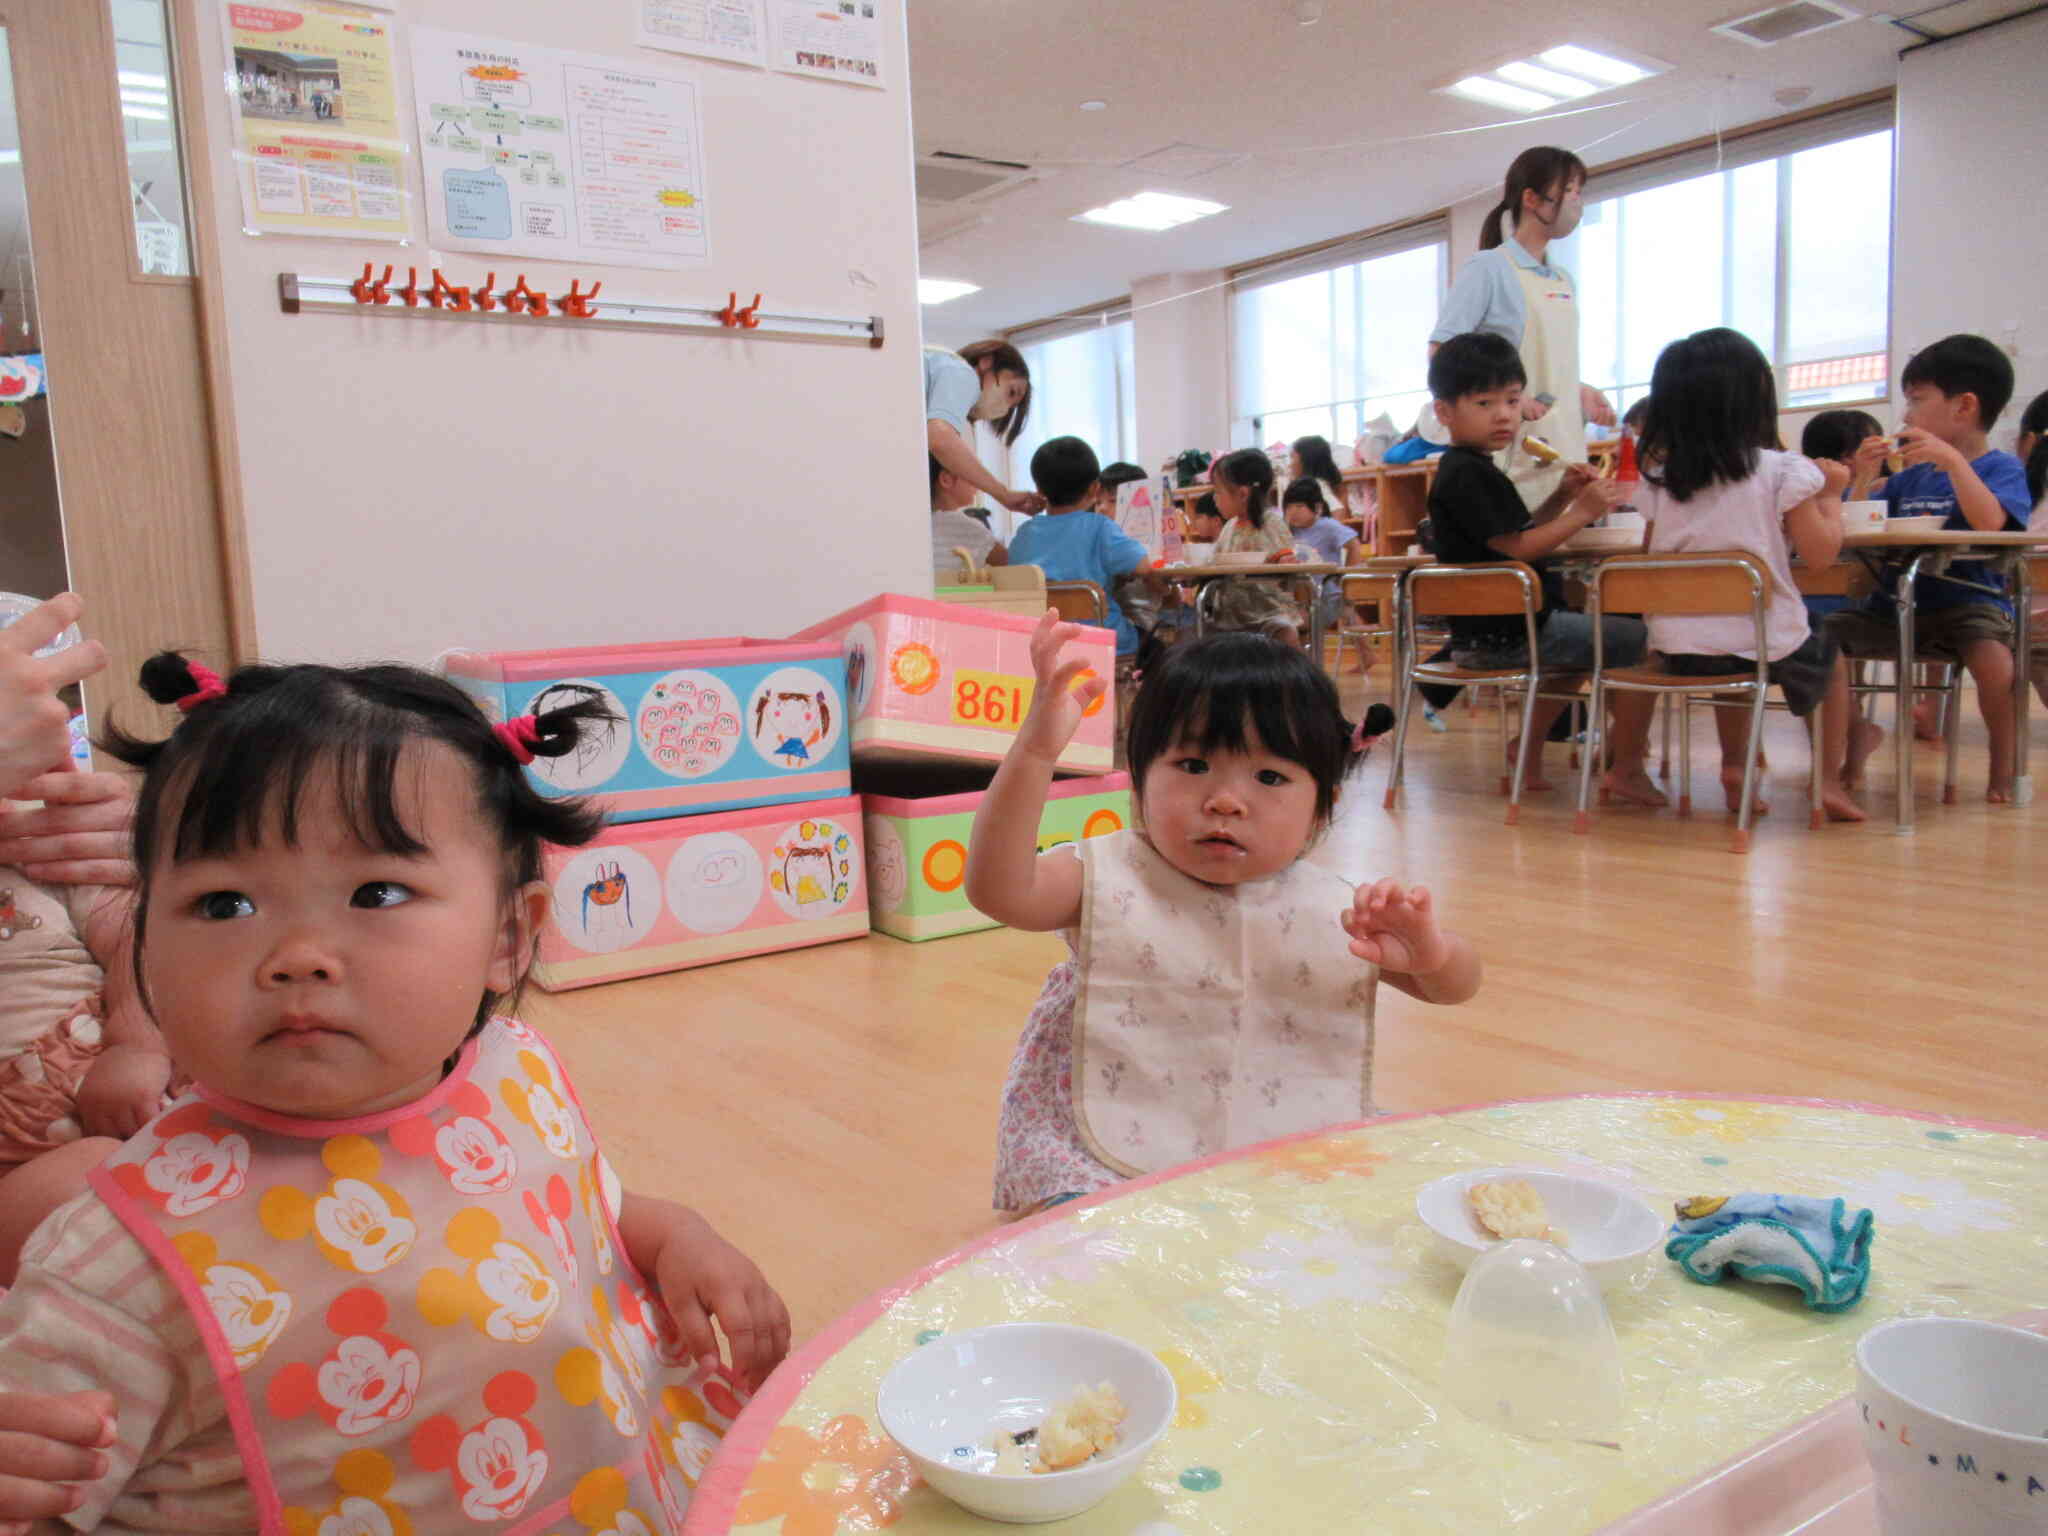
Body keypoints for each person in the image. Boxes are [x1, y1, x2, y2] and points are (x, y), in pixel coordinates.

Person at [0, 655, 789, 1532]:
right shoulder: (117, 1266)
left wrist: (677, 1237)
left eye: (376, 892)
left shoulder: (510, 1069)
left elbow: (563, 1215)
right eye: (224, 904)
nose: (297, 954)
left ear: (508, 937)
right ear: (143, 944)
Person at [966, 616, 1480, 1214]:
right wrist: (1035, 753)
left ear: (1323, 807)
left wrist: (1431, 955)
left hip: (1278, 1125)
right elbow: (999, 891)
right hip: (1103, 1136)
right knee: (1089, 1237)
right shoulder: (1109, 874)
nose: (1226, 800)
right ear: (1139, 779)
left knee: (1378, 1207)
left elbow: (1456, 987)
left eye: (1269, 777)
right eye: (1192, 766)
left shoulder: (1333, 908)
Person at [1636, 329, 1870, 822]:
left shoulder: (1661, 477)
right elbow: (1822, 555)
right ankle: (1827, 781)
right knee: (1830, 660)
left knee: (1728, 656)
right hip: (1763, 640)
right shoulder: (1783, 470)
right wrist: (1831, 495)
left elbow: (1648, 557)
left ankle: (1736, 767)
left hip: (1677, 647)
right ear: (1756, 399)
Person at [1425, 333, 1662, 803]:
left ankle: (1527, 752)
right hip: (1508, 636)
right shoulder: (1469, 473)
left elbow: (1515, 535)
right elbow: (1518, 548)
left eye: (1512, 400)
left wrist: (1563, 498)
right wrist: (1582, 512)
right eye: (1484, 402)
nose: (1503, 414)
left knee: (1578, 653)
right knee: (1646, 643)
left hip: (1486, 636)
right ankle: (1627, 765)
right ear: (1444, 412)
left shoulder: (1472, 469)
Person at [1826, 335, 2033, 802]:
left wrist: (1956, 463)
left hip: (1967, 604)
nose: (1906, 415)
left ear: (1964, 407)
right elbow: (1857, 525)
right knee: (1816, 644)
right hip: (1894, 603)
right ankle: (1853, 741)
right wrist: (1860, 480)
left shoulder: (2001, 469)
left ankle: (2005, 768)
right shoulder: (1909, 477)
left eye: (1917, 400)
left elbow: (1990, 522)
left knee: (1997, 665)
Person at [1429, 146, 1617, 509]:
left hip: (1564, 446)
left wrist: (1578, 390)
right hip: (1512, 449)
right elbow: (1442, 354)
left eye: (1581, 191)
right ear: (1532, 198)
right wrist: (1511, 400)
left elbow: (1547, 364)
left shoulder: (1562, 278)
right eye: (1569, 190)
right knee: (1519, 547)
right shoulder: (1489, 268)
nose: (1577, 201)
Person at [1006, 437, 1151, 675]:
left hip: (1044, 645)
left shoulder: (1024, 534)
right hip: (1103, 642)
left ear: (1040, 491)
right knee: (1158, 644)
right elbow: (1144, 566)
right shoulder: (1100, 527)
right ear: (1095, 488)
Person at [923, 340, 1045, 516]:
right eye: (1011, 392)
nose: (1004, 409)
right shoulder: (961, 372)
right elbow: (940, 438)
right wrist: (1004, 494)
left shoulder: (937, 368)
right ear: (986, 361)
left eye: (1011, 408)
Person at [1206, 448, 1305, 648]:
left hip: (1266, 614)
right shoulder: (1229, 527)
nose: (1214, 499)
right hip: (1229, 616)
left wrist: (1286, 562)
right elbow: (1215, 563)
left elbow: (1288, 566)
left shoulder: (1271, 524)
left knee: (1286, 633)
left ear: (1243, 494)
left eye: (1218, 492)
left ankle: (1296, 678)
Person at [1282, 477, 1363, 636]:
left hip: (1328, 596)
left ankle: (1307, 657)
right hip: (1301, 598)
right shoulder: (1287, 530)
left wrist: (1347, 576)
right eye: (1288, 507)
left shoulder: (1327, 526)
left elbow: (1353, 544)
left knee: (1293, 625)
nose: (1293, 512)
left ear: (1317, 507)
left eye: (1300, 506)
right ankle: (1366, 655)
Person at [930, 453, 1007, 583]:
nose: (978, 485)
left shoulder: (921, 524)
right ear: (946, 479)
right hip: (957, 602)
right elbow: (1013, 564)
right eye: (971, 475)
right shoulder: (966, 527)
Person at [1288, 435, 1351, 522]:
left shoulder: (1316, 485)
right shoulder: (1313, 485)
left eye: (1292, 457)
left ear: (1306, 460)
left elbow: (1337, 511)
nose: (1289, 464)